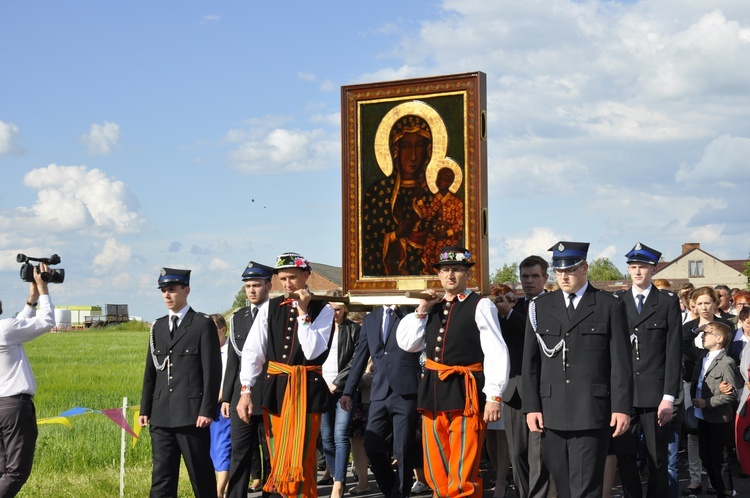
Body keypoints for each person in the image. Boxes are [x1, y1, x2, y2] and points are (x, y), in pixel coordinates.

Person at [397, 246, 510, 498]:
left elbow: (496, 351)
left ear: (467, 274)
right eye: (446, 270)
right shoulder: (431, 306)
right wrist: (423, 308)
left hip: (466, 393)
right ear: (438, 274)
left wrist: (494, 396)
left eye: (457, 270)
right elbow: (408, 344)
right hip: (433, 393)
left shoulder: (481, 305)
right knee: (435, 466)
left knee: (463, 468)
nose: (450, 275)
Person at [522, 241, 633, 498]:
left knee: (586, 487)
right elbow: (530, 363)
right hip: (552, 411)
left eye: (570, 270)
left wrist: (621, 407)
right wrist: (531, 407)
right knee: (562, 485)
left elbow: (620, 363)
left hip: (591, 410)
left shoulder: (608, 305)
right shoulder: (540, 307)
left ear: (585, 268)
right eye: (559, 271)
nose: (564, 276)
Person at [237, 252, 335, 498]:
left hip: (306, 391)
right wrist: (246, 390)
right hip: (277, 390)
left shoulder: (323, 309)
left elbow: (312, 351)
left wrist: (303, 313)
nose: (288, 284)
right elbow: (253, 351)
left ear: (306, 276)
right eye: (283, 279)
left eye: (292, 277)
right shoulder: (269, 307)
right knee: (277, 452)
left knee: (303, 456)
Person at [139, 268, 222, 498]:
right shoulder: (158, 326)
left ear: (186, 290)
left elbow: (212, 371)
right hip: (162, 414)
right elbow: (151, 371)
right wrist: (145, 408)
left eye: (172, 290)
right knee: (162, 478)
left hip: (192, 416)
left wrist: (206, 410)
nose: (167, 295)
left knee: (200, 475)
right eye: (164, 291)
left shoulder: (202, 324)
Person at [612, 243, 682, 498]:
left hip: (655, 395)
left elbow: (673, 353)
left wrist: (668, 397)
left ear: (653, 268)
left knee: (657, 459)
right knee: (625, 456)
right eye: (632, 267)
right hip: (624, 395)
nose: (637, 272)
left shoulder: (666, 302)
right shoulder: (617, 301)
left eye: (642, 267)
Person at [340, 302, 421, 498]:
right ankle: (392, 490)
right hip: (379, 392)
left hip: (405, 391)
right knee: (372, 447)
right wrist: (348, 391)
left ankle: (400, 494)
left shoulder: (410, 312)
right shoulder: (371, 318)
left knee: (403, 449)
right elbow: (361, 356)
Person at [493, 256, 551, 498]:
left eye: (534, 276)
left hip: (542, 391)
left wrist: (509, 315)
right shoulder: (513, 306)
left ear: (546, 278)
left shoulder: (553, 305)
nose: (529, 281)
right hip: (515, 391)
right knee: (518, 454)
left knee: (539, 454)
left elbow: (537, 334)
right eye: (525, 276)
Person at [0, 262, 55, 497]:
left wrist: (30, 300)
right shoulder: (5, 329)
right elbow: (47, 322)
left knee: (2, 469)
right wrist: (43, 290)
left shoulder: (6, 330)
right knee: (16, 471)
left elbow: (19, 324)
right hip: (14, 407)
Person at [221, 261, 273, 498]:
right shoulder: (237, 318)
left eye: (256, 285)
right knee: (239, 451)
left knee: (269, 451)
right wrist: (227, 397)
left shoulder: (277, 313)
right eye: (248, 286)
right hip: (242, 396)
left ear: (268, 286)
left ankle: (272, 492)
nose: (251, 290)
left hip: (270, 393)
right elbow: (233, 360)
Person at [362, 114, 435, 276]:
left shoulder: (433, 193)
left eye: (419, 146)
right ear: (396, 150)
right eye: (407, 146)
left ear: (428, 151)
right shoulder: (379, 192)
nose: (413, 156)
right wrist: (395, 236)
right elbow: (367, 243)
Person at [681, 286, 734, 495]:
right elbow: (684, 348)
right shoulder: (690, 327)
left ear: (715, 303)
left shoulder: (725, 327)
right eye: (699, 303)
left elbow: (731, 357)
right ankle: (695, 478)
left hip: (716, 389)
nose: (704, 307)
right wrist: (698, 331)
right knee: (693, 431)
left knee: (716, 437)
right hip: (692, 385)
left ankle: (716, 482)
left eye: (707, 302)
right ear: (694, 305)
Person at [690, 321, 741, 497]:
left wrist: (708, 402)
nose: (704, 336)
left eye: (708, 334)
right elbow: (684, 342)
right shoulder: (703, 356)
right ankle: (720, 489)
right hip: (702, 416)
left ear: (719, 339)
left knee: (720, 459)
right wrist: (698, 329)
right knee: (706, 456)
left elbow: (731, 394)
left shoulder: (726, 362)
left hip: (718, 417)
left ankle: (726, 492)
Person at [319, 301, 361, 498]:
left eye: (338, 309)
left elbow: (355, 360)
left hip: (343, 390)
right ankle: (336, 475)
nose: (334, 313)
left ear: (345, 309)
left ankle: (339, 483)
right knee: (326, 438)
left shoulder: (353, 329)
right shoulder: (320, 328)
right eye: (331, 309)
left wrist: (337, 382)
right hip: (321, 389)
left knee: (341, 435)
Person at [423, 166, 465, 270]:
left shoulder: (456, 201)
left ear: (450, 182)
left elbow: (460, 224)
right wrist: (420, 202)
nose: (440, 182)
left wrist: (446, 233)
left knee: (445, 257)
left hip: (450, 238)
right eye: (439, 178)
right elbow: (427, 216)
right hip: (435, 235)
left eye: (444, 180)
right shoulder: (435, 199)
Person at [209, 314, 231, 498]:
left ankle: (218, 492)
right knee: (215, 451)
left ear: (223, 330)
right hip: (208, 406)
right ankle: (225, 490)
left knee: (223, 448)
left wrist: (224, 395)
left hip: (225, 405)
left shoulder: (232, 350)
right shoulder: (207, 350)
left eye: (212, 330)